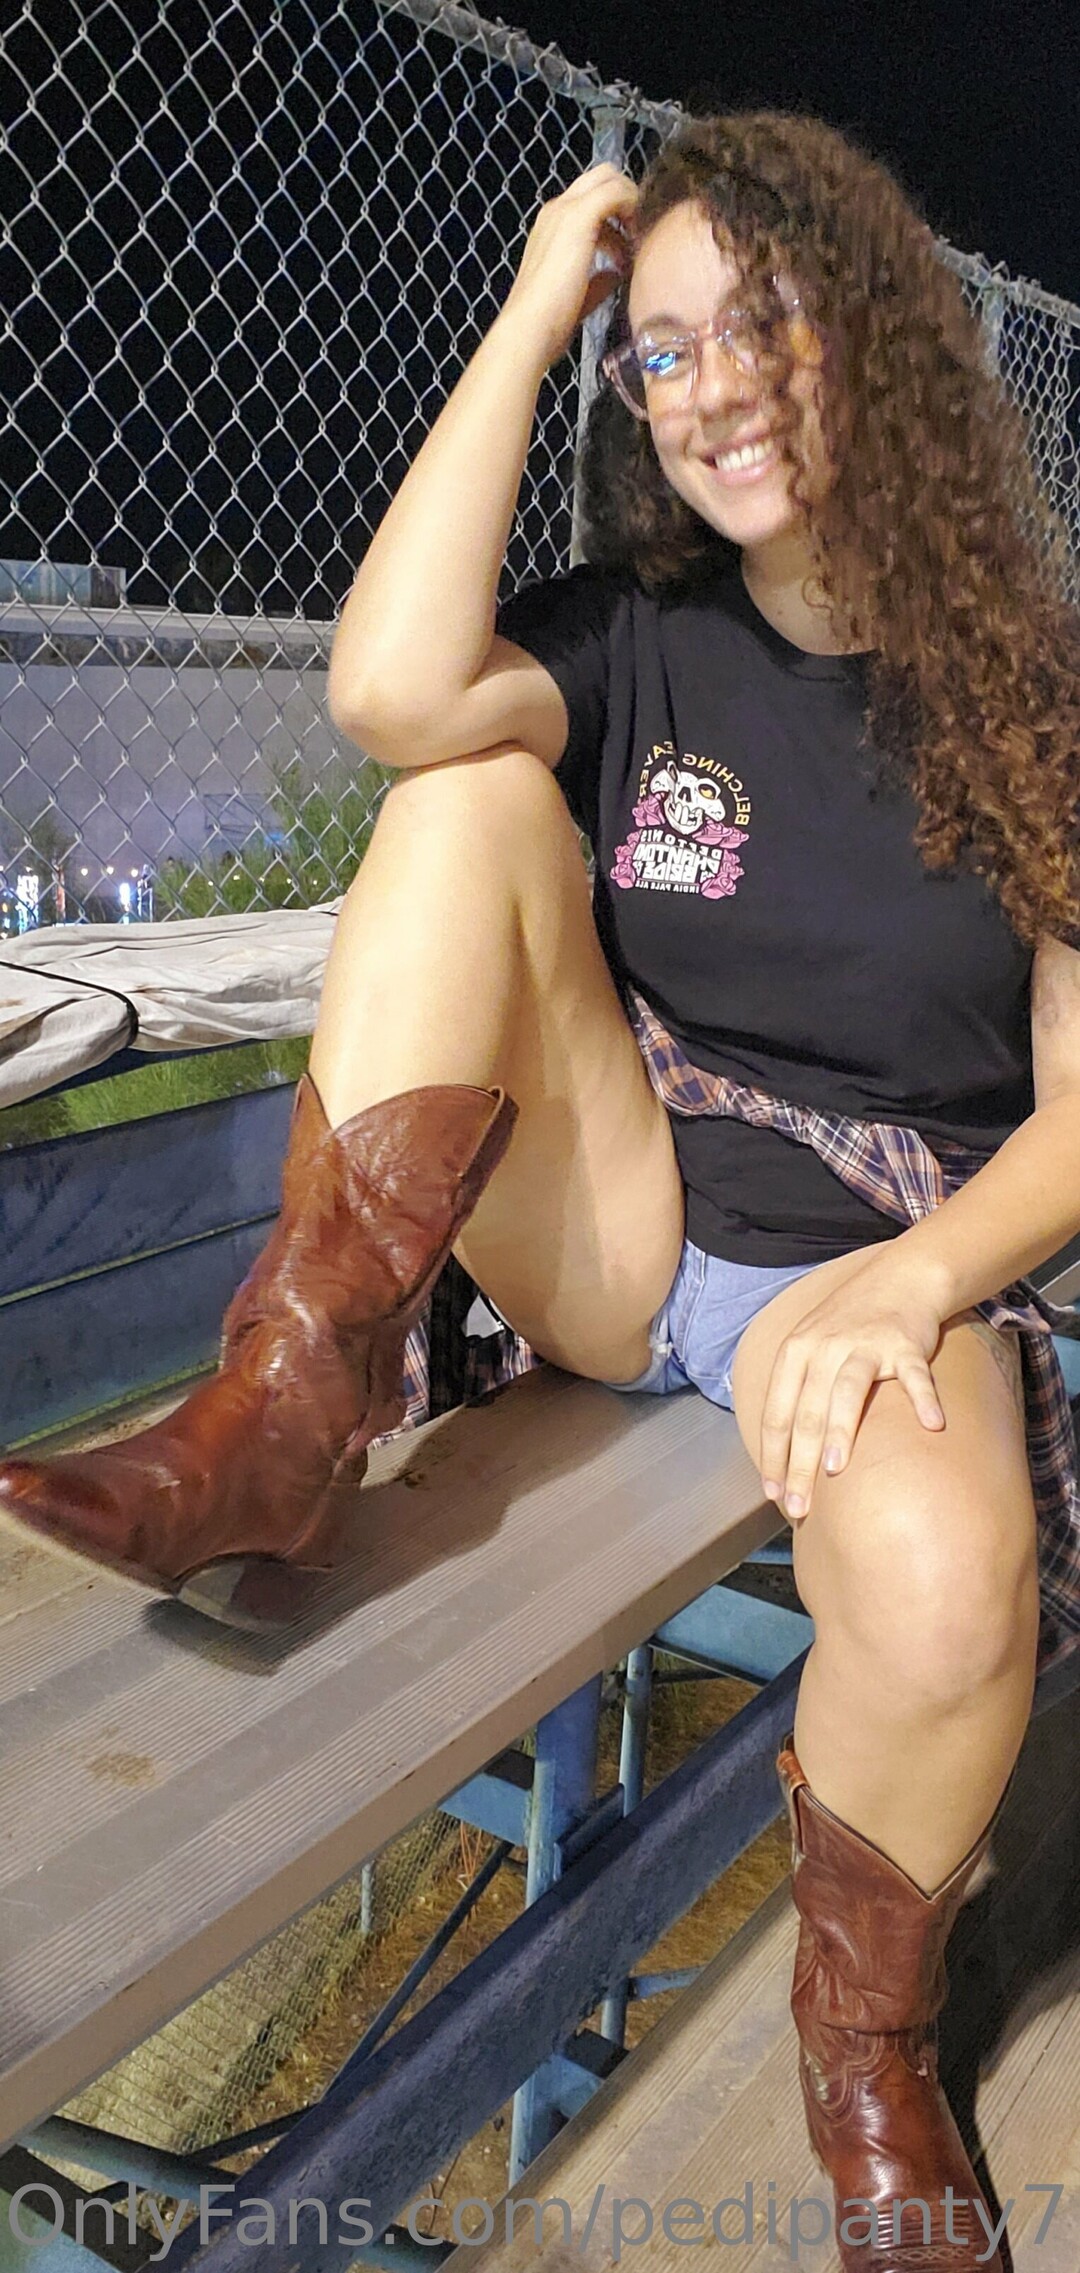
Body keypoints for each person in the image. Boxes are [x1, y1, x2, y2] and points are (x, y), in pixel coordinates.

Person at [2, 111, 1079, 2269]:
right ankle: (282, 1412)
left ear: (872, 330)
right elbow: (385, 687)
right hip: (627, 1228)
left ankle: (866, 2045)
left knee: (957, 1590)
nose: (714, 388)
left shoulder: (1032, 695)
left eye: (760, 323)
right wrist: (527, 316)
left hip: (882, 1266)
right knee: (457, 799)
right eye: (663, 352)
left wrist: (911, 1287)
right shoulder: (636, 632)